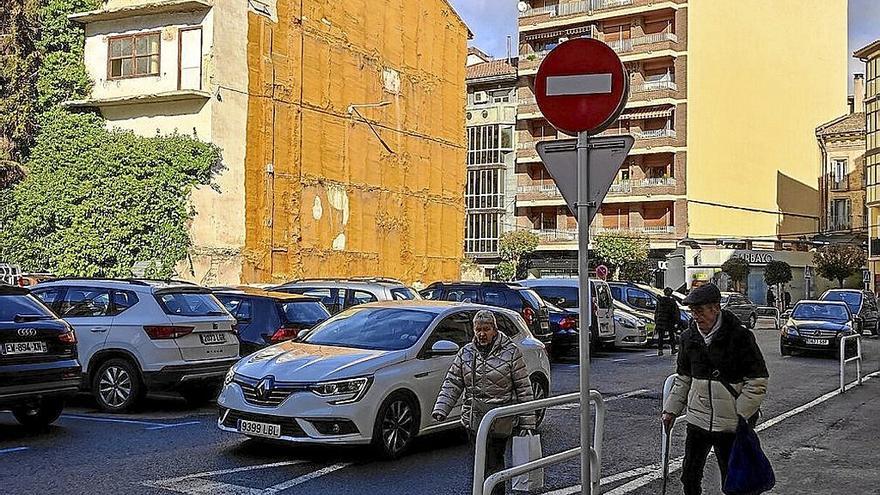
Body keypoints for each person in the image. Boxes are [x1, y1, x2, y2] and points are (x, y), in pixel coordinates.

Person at [661, 283, 769, 495]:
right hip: (697, 421)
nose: (696, 317)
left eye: (700, 311)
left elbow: (757, 380)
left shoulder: (740, 337)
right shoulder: (688, 338)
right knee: (689, 475)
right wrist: (670, 410)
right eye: (693, 312)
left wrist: (740, 414)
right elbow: (683, 378)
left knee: (732, 479)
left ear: (716, 308)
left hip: (729, 425)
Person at [432, 310, 535, 495]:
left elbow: (523, 388)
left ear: (494, 329)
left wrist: (528, 423)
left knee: (494, 462)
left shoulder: (511, 352)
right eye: (478, 329)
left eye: (486, 329)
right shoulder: (466, 353)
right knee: (479, 462)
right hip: (474, 418)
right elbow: (453, 382)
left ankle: (495, 492)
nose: (482, 333)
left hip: (500, 418)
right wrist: (441, 409)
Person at [654, 287, 680, 356]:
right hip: (669, 320)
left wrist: (656, 320)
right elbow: (675, 312)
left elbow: (656, 311)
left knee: (661, 336)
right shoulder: (672, 301)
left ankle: (660, 350)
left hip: (661, 320)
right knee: (671, 335)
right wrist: (676, 321)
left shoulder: (660, 301)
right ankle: (673, 349)